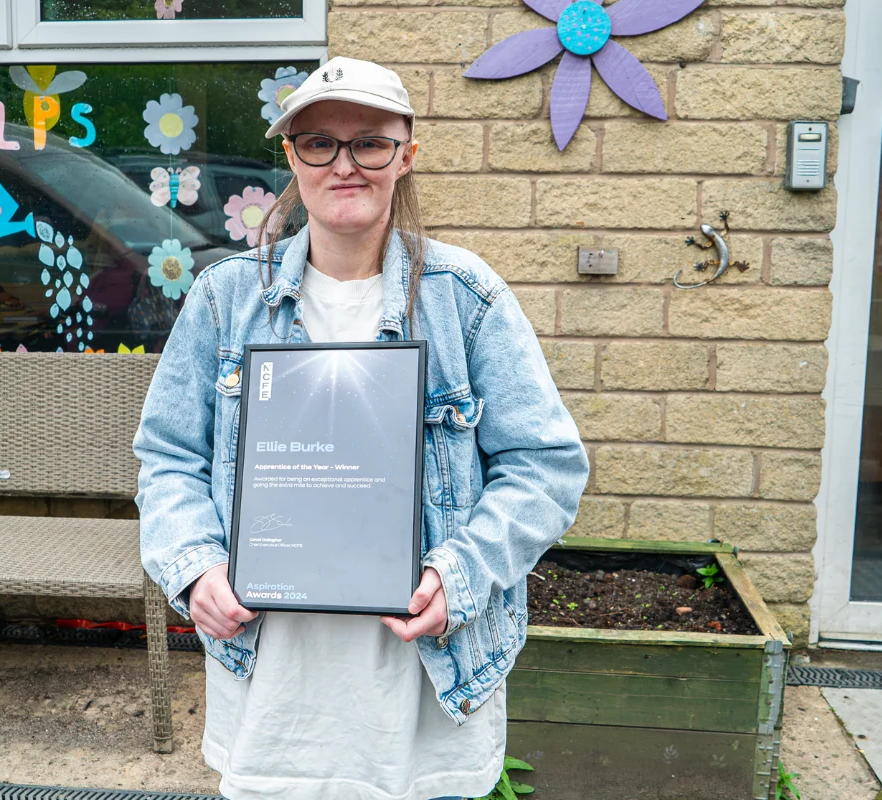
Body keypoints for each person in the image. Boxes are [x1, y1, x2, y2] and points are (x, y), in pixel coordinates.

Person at [133, 57, 589, 800]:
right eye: (319, 143)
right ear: (291, 156)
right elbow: (168, 458)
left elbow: (546, 466)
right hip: (274, 700)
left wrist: (458, 574)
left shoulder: (467, 301)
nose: (345, 164)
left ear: (406, 155)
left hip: (423, 705)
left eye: (370, 142)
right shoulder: (224, 301)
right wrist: (193, 567)